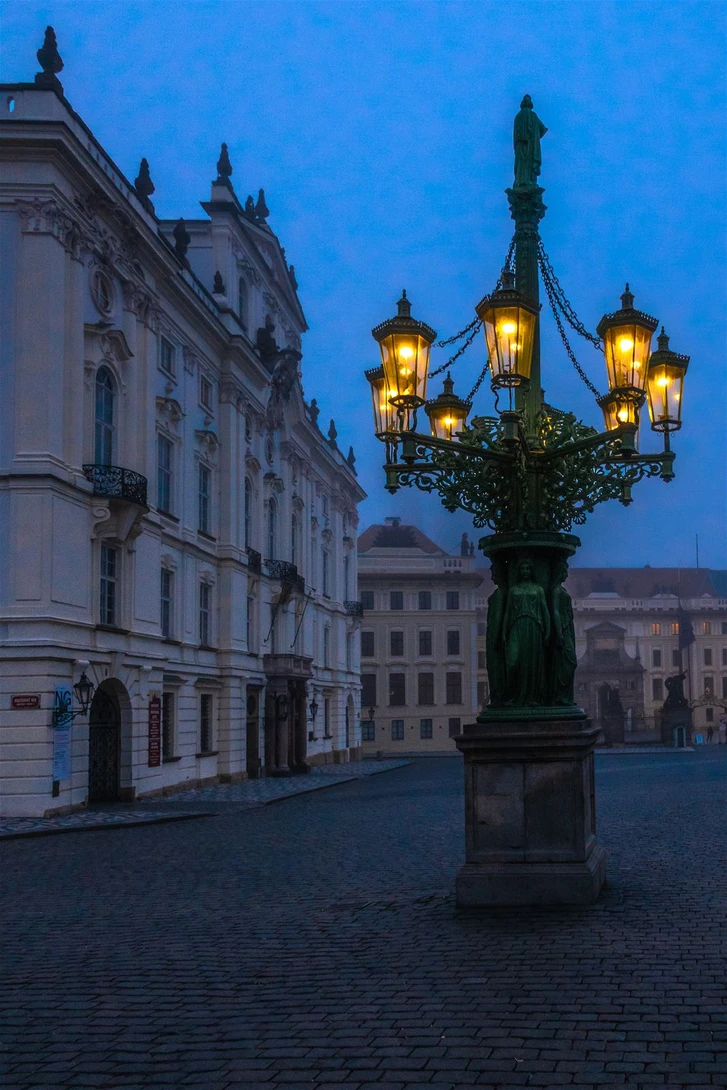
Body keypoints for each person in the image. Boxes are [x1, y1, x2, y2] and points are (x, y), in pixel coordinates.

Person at [503, 558, 551, 706]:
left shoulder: (538, 589)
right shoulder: (513, 590)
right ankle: (513, 696)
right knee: (513, 662)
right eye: (522, 569)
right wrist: (504, 632)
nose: (525, 571)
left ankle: (532, 697)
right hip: (516, 626)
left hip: (534, 627)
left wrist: (548, 630)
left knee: (532, 663)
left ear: (531, 571)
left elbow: (545, 611)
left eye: (527, 569)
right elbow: (507, 612)